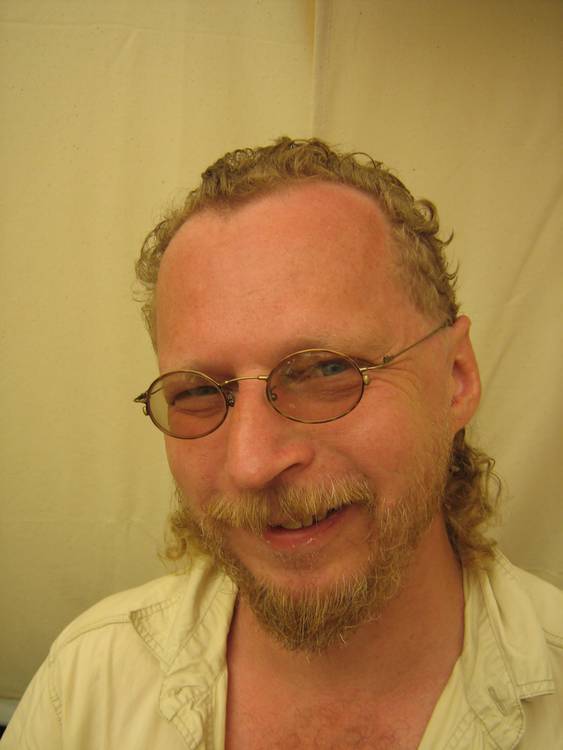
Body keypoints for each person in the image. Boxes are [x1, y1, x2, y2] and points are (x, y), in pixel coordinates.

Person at [3, 138, 562, 749]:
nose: (250, 463)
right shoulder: (85, 691)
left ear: (455, 378)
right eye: (198, 391)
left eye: (325, 370)